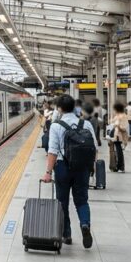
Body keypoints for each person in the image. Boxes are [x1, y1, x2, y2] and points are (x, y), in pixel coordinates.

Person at [41, 94, 96, 249]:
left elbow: (52, 151)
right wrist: (90, 169)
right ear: (75, 107)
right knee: (82, 201)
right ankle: (85, 225)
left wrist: (48, 172)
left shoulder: (56, 125)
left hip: (62, 168)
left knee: (62, 202)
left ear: (59, 108)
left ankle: (67, 234)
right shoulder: (85, 124)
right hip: (82, 169)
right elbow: (94, 149)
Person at [107, 103, 129, 172]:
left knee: (119, 152)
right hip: (115, 136)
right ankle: (117, 166)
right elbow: (110, 122)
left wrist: (117, 126)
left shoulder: (124, 116)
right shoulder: (117, 116)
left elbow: (124, 128)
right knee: (117, 151)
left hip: (120, 136)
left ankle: (121, 167)